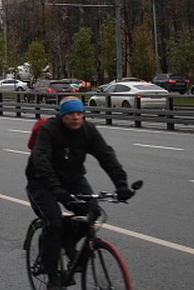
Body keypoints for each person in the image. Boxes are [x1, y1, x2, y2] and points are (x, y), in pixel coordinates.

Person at [26, 96, 134, 289]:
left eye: (79, 113)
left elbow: (106, 156)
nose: (76, 118)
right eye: (70, 114)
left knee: (93, 213)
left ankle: (68, 244)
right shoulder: (49, 130)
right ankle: (53, 277)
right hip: (41, 181)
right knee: (54, 223)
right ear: (62, 115)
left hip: (72, 179)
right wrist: (56, 189)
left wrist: (121, 185)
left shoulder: (88, 131)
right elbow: (41, 160)